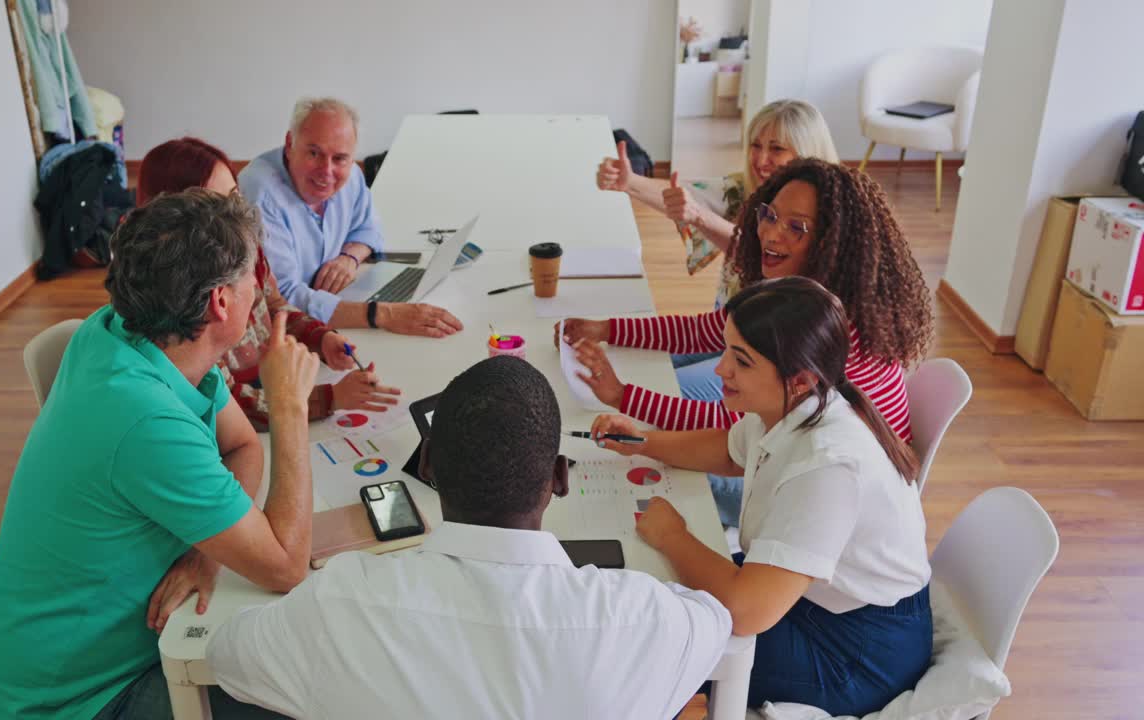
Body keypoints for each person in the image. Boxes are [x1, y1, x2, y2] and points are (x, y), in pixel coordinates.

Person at [0, 190, 328, 720]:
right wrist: (290, 407)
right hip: (66, 700)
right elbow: (287, 565)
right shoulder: (145, 421)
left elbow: (243, 443)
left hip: (64, 654)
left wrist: (208, 551)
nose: (261, 287)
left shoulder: (125, 331)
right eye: (255, 274)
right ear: (220, 302)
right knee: (311, 697)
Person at [207, 356, 733, 719]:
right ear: (559, 478)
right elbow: (715, 619)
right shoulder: (641, 618)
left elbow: (226, 654)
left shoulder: (340, 603)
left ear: (430, 465)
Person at [592, 277, 933, 717]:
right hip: (808, 602)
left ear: (800, 378)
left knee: (659, 642)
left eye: (741, 361)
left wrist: (674, 536)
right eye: (726, 351)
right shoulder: (791, 405)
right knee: (650, 600)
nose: (719, 370)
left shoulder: (829, 465)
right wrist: (644, 442)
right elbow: (728, 450)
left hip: (858, 651)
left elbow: (747, 611)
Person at [563, 159, 933, 525]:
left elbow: (733, 428)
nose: (771, 235)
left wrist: (623, 398)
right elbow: (704, 334)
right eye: (769, 216)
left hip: (837, 498)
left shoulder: (819, 327)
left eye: (796, 228)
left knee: (664, 474)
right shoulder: (801, 295)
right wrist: (608, 329)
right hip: (801, 458)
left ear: (832, 243)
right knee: (657, 448)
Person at [139, 137, 400, 429]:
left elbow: (273, 306)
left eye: (235, 196)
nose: (235, 215)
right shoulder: (180, 301)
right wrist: (330, 398)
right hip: (248, 424)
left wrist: (320, 337)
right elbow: (228, 403)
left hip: (273, 384)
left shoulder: (242, 246)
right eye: (216, 205)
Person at [598, 100, 839, 405]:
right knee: (640, 369)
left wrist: (698, 215)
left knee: (659, 387)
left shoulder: (824, 217)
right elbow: (684, 196)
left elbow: (752, 251)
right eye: (755, 145)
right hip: (728, 329)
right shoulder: (744, 187)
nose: (761, 159)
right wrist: (630, 183)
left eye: (777, 149)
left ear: (806, 151)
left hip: (772, 356)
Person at [240, 96, 463, 337]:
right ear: (289, 142)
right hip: (286, 333)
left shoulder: (351, 175)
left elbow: (369, 229)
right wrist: (381, 314)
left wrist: (349, 258)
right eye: (314, 153)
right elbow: (283, 298)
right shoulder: (260, 195)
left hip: (337, 304)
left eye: (339, 158)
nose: (326, 171)